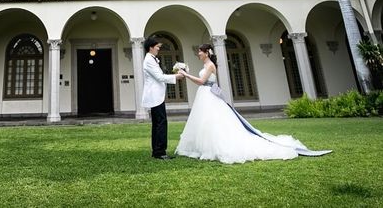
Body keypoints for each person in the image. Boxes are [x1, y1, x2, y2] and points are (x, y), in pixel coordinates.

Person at [175, 43, 331, 164]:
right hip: (204, 95)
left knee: (213, 121)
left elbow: (201, 81)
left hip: (209, 94)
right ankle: (204, 147)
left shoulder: (210, 65)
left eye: (200, 51)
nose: (198, 53)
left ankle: (216, 147)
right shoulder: (205, 65)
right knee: (205, 122)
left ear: (207, 53)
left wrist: (186, 75)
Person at [142, 35, 184, 160]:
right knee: (161, 123)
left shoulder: (152, 59)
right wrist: (176, 77)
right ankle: (160, 152)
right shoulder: (149, 60)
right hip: (155, 97)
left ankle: (157, 151)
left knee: (157, 123)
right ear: (151, 47)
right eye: (157, 47)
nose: (159, 49)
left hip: (157, 96)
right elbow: (159, 77)